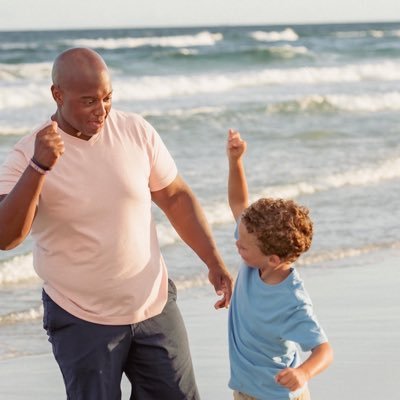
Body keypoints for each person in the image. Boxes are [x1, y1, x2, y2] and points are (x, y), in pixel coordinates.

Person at [0, 47, 233, 400]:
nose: (102, 110)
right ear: (57, 95)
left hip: (153, 306)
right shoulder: (26, 154)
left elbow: (175, 197)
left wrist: (213, 260)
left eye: (107, 98)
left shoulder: (135, 130)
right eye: (89, 101)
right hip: (81, 317)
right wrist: (39, 168)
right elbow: (7, 236)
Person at [226, 129, 333, 400]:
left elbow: (324, 351)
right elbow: (239, 202)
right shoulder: (256, 258)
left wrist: (304, 373)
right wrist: (236, 161)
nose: (237, 243)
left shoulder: (292, 301)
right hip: (244, 390)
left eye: (243, 245)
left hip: (278, 396)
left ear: (274, 259)